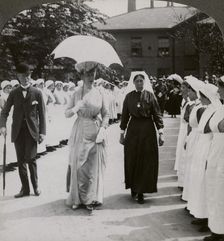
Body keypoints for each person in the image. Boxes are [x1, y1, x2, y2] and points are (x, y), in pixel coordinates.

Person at [65, 61, 109, 213]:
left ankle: (90, 198)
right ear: (82, 75)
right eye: (88, 74)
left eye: (93, 74)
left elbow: (106, 113)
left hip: (96, 130)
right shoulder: (77, 93)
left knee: (92, 167)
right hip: (81, 129)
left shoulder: (100, 92)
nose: (91, 77)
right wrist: (77, 106)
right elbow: (67, 113)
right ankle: (78, 198)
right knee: (79, 165)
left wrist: (103, 127)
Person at [0, 63, 46, 198]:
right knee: (21, 161)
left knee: (31, 159)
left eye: (27, 75)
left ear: (30, 76)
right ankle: (25, 189)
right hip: (18, 131)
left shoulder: (37, 92)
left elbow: (42, 114)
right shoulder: (14, 93)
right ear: (18, 76)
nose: (25, 78)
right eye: (21, 76)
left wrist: (42, 132)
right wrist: (2, 126)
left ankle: (36, 186)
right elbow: (4, 112)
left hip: (32, 131)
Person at [119, 71, 164, 204]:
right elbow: (125, 116)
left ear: (144, 82)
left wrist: (161, 132)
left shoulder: (150, 96)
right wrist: (122, 133)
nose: (139, 83)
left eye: (141, 81)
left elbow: (157, 114)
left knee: (145, 160)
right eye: (137, 81)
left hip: (147, 130)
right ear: (133, 83)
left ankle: (142, 190)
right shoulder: (129, 97)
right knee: (132, 158)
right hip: (133, 130)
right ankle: (133, 186)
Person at [204, 76, 224, 241]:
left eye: (221, 87)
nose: (218, 91)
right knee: (215, 190)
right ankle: (217, 229)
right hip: (216, 151)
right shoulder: (220, 109)